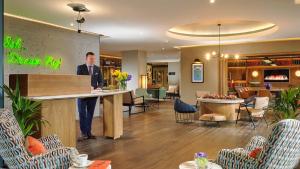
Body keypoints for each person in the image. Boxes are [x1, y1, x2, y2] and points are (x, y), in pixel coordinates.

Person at [77, 52, 103, 140]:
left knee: (90, 114)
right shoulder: (80, 68)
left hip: (93, 95)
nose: (92, 60)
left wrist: (99, 87)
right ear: (86, 59)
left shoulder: (97, 68)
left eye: (93, 59)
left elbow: (101, 81)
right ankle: (83, 133)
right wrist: (88, 87)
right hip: (82, 95)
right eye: (90, 59)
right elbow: (78, 81)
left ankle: (88, 132)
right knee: (82, 114)